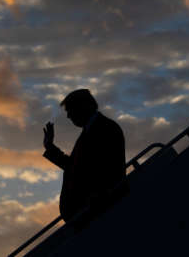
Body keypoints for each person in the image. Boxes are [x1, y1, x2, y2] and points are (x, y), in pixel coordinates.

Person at [43, 89, 127, 223]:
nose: (68, 116)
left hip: (98, 214)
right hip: (90, 214)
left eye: (70, 110)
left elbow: (104, 172)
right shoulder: (90, 131)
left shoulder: (105, 128)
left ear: (84, 106)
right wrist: (50, 148)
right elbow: (75, 167)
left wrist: (91, 202)